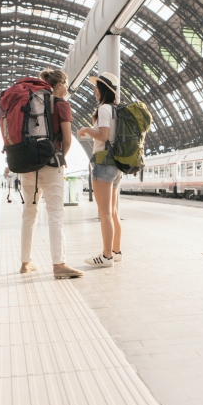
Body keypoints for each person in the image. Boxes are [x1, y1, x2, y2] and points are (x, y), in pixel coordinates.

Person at [20, 69, 84, 279]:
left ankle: (25, 262)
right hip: (51, 164)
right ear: (58, 85)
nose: (67, 88)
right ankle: (59, 264)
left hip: (28, 165)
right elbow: (67, 139)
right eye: (65, 84)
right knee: (55, 214)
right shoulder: (61, 104)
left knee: (29, 213)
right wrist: (59, 158)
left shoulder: (30, 103)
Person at [77, 72, 123, 268]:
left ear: (105, 89)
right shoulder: (115, 110)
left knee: (104, 213)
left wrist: (87, 129)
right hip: (115, 164)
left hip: (103, 162)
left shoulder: (104, 109)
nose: (94, 90)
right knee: (112, 212)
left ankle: (106, 256)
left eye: (97, 86)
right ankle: (116, 251)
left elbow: (103, 135)